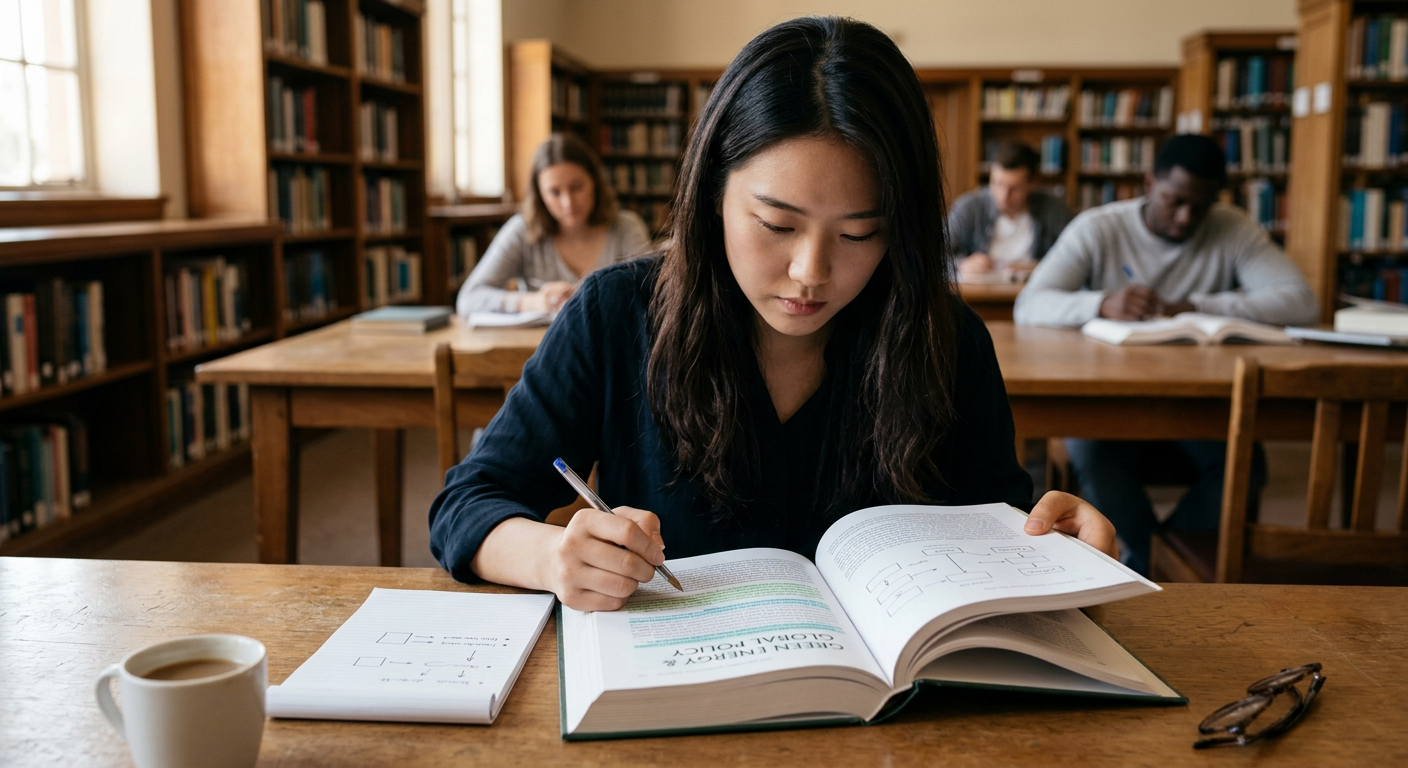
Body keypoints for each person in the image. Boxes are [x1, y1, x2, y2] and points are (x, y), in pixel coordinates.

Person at [430, 16, 1118, 612]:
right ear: (712, 199)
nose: (811, 273)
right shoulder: (616, 314)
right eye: (776, 224)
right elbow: (469, 502)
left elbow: (1001, 529)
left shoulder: (945, 339)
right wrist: (552, 558)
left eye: (858, 234)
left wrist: (1054, 548)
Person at [1013, 133, 1318, 576]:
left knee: (1246, 466)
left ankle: (1148, 559)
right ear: (1149, 182)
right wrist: (1099, 303)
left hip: (1198, 396)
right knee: (1098, 459)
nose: (1185, 216)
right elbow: (1030, 303)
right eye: (1174, 200)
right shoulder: (1100, 226)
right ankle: (1156, 560)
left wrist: (1197, 304)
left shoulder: (1231, 227)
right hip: (1105, 397)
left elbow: (1300, 301)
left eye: (1200, 205)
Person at [455, 133, 651, 316]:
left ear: (595, 183)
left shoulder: (627, 227)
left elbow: (652, 295)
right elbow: (469, 298)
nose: (568, 203)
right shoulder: (523, 229)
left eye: (577, 187)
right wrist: (534, 302)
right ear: (540, 195)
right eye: (554, 192)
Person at [948, 141, 1071, 281]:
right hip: (980, 294)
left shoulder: (1053, 209)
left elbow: (1072, 258)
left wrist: (1038, 267)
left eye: (1014, 189)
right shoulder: (969, 207)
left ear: (1033, 184)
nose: (1003, 196)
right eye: (998, 184)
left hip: (1032, 292)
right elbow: (934, 255)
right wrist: (961, 264)